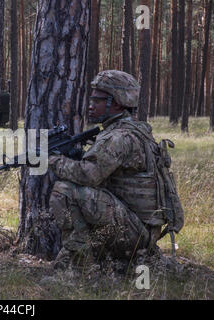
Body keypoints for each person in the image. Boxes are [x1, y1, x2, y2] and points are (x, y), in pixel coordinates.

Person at [48, 70, 184, 269]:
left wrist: (52, 160)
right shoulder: (133, 130)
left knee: (64, 191)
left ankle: (81, 267)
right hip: (141, 229)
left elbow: (88, 175)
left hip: (135, 233)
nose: (91, 105)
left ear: (118, 103)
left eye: (98, 100)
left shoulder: (118, 137)